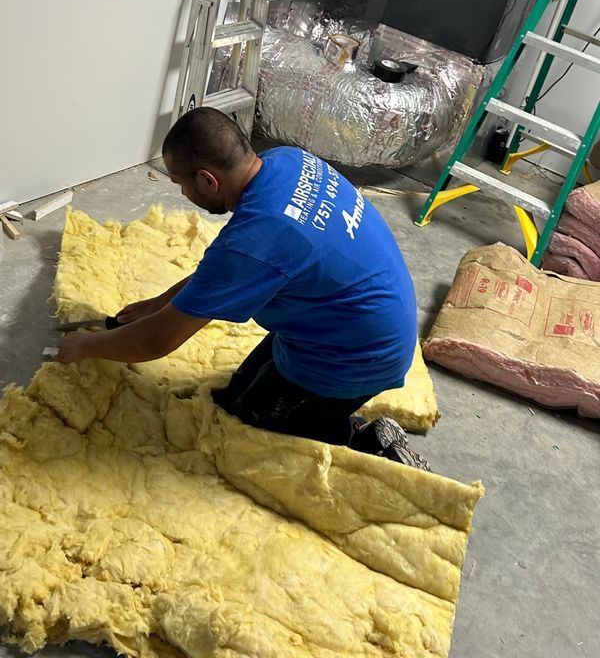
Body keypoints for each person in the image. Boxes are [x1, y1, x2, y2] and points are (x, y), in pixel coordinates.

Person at [56, 107, 429, 470]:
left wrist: (85, 346)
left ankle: (362, 439)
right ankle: (319, 409)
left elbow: (154, 343)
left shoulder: (254, 240)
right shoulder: (287, 160)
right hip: (361, 322)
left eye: (180, 183)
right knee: (234, 395)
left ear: (207, 180)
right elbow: (234, 271)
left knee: (247, 427)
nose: (183, 193)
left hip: (358, 357)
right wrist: (163, 301)